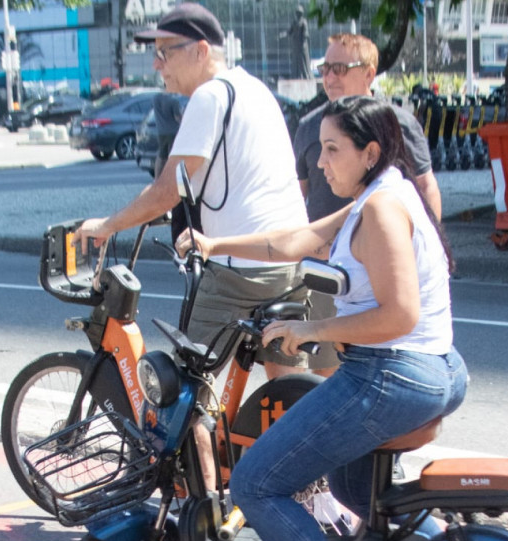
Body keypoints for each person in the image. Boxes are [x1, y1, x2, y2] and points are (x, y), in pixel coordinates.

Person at [175, 96, 468, 541]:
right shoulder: (381, 192)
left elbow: (398, 315)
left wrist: (310, 330)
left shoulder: (382, 210)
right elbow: (296, 241)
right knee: (343, 487)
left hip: (394, 372)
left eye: (333, 150)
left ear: (370, 151)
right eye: (319, 149)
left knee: (256, 482)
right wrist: (213, 245)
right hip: (433, 368)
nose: (321, 162)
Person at [75, 3, 308, 380]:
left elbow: (166, 190)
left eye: (164, 52)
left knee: (183, 391)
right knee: (286, 393)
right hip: (289, 261)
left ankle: (198, 434)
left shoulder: (210, 96)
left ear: (201, 51)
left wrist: (107, 225)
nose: (156, 64)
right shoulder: (254, 89)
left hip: (240, 272)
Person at [293, 33, 442, 375]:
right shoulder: (307, 126)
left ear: (369, 74)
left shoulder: (398, 123)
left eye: (341, 68)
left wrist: (430, 256)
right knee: (327, 375)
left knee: (380, 369)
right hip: (327, 267)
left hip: (381, 270)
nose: (330, 77)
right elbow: (298, 195)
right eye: (326, 68)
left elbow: (425, 186)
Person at [151, 91, 185, 178]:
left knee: (161, 155)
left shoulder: (156, 98)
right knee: (172, 156)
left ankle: (157, 178)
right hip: (173, 132)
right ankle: (170, 177)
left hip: (161, 131)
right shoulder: (174, 101)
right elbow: (178, 117)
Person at [280, 6, 312, 79]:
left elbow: (305, 33)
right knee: (295, 61)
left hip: (302, 45)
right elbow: (289, 31)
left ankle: (305, 76)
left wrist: (304, 41)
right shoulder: (294, 22)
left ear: (301, 14)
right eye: (297, 13)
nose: (298, 14)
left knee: (303, 61)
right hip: (296, 45)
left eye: (299, 13)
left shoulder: (304, 22)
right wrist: (283, 34)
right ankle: (296, 76)